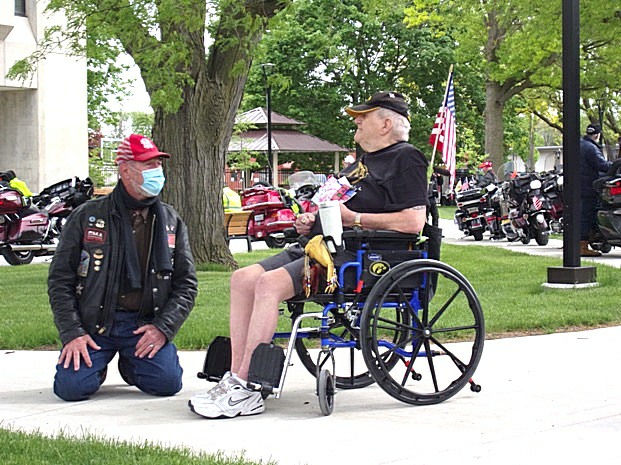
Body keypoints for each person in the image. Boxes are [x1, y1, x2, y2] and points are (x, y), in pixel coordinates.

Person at [188, 91, 429, 419]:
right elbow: (336, 205)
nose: (356, 121)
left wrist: (353, 218)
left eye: (364, 116)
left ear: (386, 124)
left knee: (269, 285)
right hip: (321, 244)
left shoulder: (407, 159)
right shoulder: (362, 163)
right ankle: (235, 376)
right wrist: (311, 219)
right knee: (242, 278)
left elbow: (414, 222)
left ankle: (247, 387)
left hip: (359, 256)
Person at [48, 134, 198, 401]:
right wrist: (72, 333)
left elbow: (186, 284)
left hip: (142, 323)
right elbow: (60, 280)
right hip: (95, 324)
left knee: (167, 384)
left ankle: (132, 364)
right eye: (149, 165)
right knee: (71, 389)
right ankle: (97, 366)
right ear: (126, 171)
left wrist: (163, 328)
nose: (157, 171)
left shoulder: (170, 220)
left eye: (158, 164)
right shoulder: (87, 216)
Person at [579, 124, 612, 257]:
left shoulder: (580, 145)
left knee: (582, 215)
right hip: (588, 187)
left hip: (578, 186)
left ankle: (586, 240)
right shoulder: (591, 148)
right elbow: (601, 165)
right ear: (598, 135)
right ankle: (582, 246)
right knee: (587, 216)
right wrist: (615, 166)